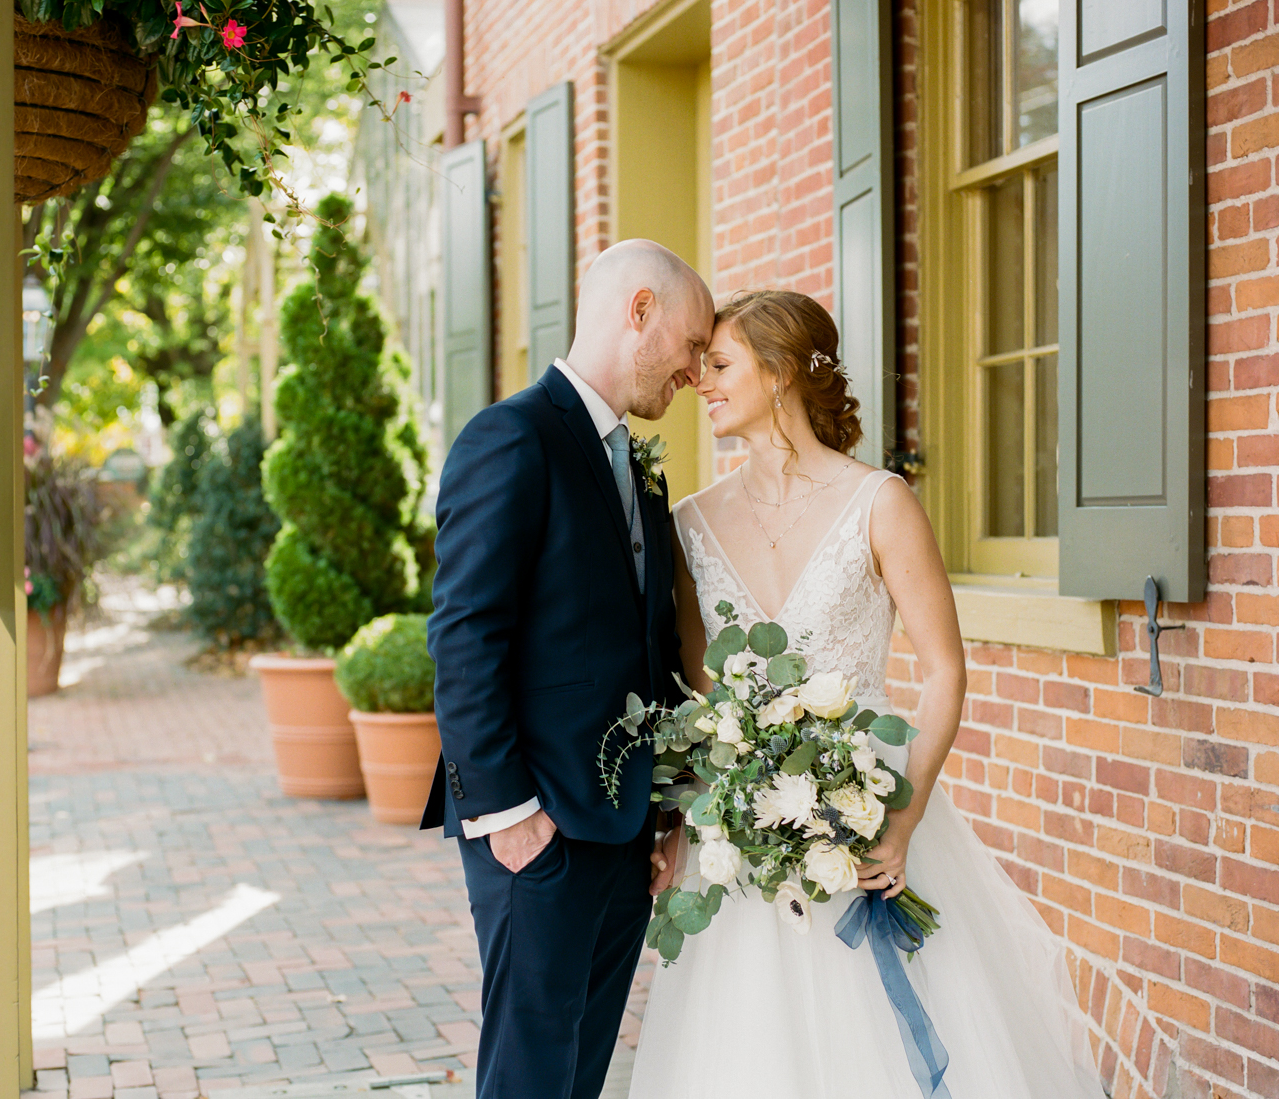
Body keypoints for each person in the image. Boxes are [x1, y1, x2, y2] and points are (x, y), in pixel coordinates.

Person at [629, 290, 1105, 1098]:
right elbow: (699, 688)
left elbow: (945, 670)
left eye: (720, 364)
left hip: (871, 812)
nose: (700, 381)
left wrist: (902, 822)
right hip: (739, 840)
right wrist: (688, 816)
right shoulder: (689, 522)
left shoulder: (880, 502)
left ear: (779, 373)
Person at [423, 239, 716, 1099]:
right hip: (536, 830)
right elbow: (464, 636)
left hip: (623, 839)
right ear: (639, 311)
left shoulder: (640, 470)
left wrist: (669, 808)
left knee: (580, 1078)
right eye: (693, 344)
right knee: (530, 1079)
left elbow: (650, 649)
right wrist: (510, 814)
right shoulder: (512, 436)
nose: (697, 371)